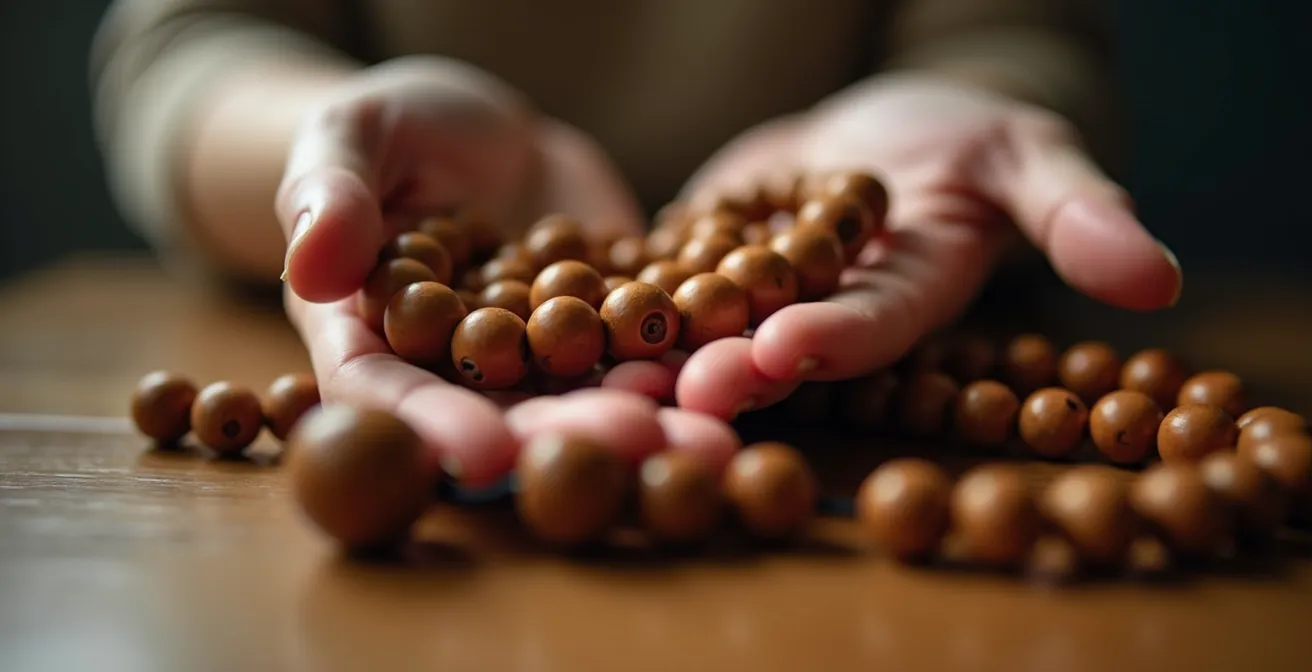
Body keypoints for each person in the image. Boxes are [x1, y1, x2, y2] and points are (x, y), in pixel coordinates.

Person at [90, 0, 1181, 485]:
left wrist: (970, 104)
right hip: (462, 233)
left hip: (868, 335)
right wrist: (312, 152)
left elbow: (1013, 31)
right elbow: (189, 41)